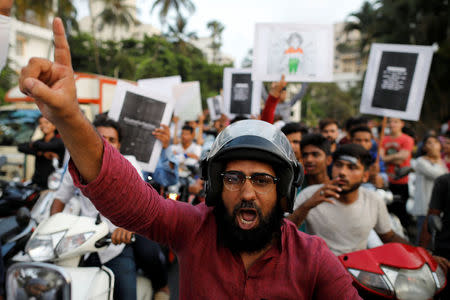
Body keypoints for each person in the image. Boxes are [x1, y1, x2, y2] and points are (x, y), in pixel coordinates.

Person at [19, 19, 362, 298]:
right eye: (232, 178)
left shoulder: (314, 259)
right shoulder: (193, 229)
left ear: (284, 190)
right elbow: (127, 198)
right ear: (214, 186)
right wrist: (69, 118)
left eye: (261, 180)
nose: (246, 192)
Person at [50, 117, 170, 300]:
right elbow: (59, 199)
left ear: (119, 145)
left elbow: (141, 201)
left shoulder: (130, 164)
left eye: (112, 140)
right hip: (83, 244)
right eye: (100, 138)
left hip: (116, 246)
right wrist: (53, 229)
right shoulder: (76, 164)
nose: (105, 144)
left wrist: (127, 228)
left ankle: (162, 286)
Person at [288, 144, 411, 255]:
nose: (342, 172)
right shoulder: (310, 194)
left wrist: (418, 252)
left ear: (365, 176)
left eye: (352, 167)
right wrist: (306, 206)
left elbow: (388, 237)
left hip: (358, 272)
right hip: (319, 270)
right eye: (338, 165)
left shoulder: (373, 200)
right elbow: (284, 231)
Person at [411, 135, 447, 244]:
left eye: (435, 142)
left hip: (437, 207)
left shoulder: (441, 162)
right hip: (424, 207)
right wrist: (438, 159)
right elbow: (440, 176)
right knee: (423, 240)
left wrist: (438, 159)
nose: (433, 145)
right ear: (424, 147)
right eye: (429, 143)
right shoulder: (420, 162)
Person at [381, 117, 414, 228]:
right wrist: (396, 157)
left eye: (395, 121)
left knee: (400, 210)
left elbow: (403, 157)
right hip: (385, 181)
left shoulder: (407, 139)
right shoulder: (383, 139)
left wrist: (387, 158)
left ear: (402, 124)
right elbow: (381, 157)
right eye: (390, 121)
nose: (392, 124)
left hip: (401, 181)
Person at [18, 116, 65, 188]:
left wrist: (33, 144)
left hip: (53, 184)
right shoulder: (39, 141)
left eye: (47, 123)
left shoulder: (59, 142)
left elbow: (45, 146)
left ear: (54, 125)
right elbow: (21, 147)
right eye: (40, 123)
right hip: (37, 181)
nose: (43, 125)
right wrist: (41, 153)